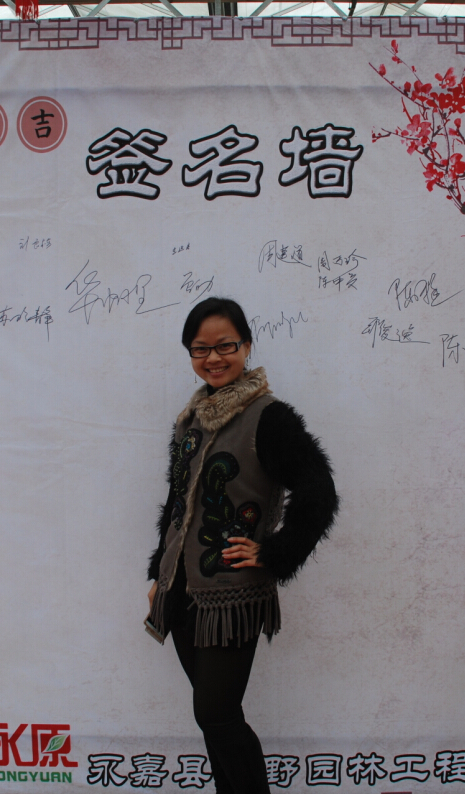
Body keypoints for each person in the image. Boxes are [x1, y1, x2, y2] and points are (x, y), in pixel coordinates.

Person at [146, 297, 338, 794]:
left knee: (217, 713)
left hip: (232, 597)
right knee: (212, 718)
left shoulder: (269, 418)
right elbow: (177, 501)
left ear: (247, 346)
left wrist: (274, 553)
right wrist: (159, 574)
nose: (213, 358)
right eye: (200, 348)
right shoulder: (189, 420)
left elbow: (319, 491)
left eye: (225, 346)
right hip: (181, 591)